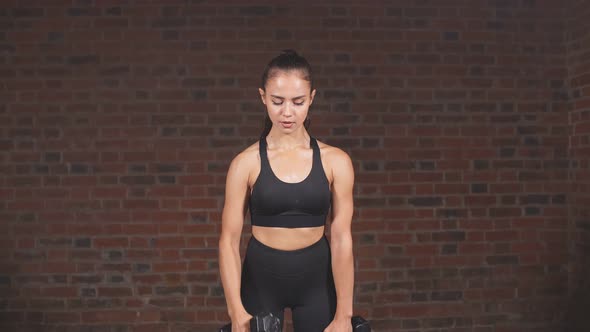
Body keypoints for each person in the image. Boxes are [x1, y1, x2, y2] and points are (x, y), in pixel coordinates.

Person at [218, 49, 355, 332]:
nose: (287, 112)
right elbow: (228, 242)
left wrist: (345, 314)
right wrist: (236, 312)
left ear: (312, 99)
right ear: (263, 97)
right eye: (277, 101)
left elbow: (342, 238)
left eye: (298, 101)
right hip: (261, 281)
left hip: (316, 281)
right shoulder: (245, 163)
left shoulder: (336, 161)